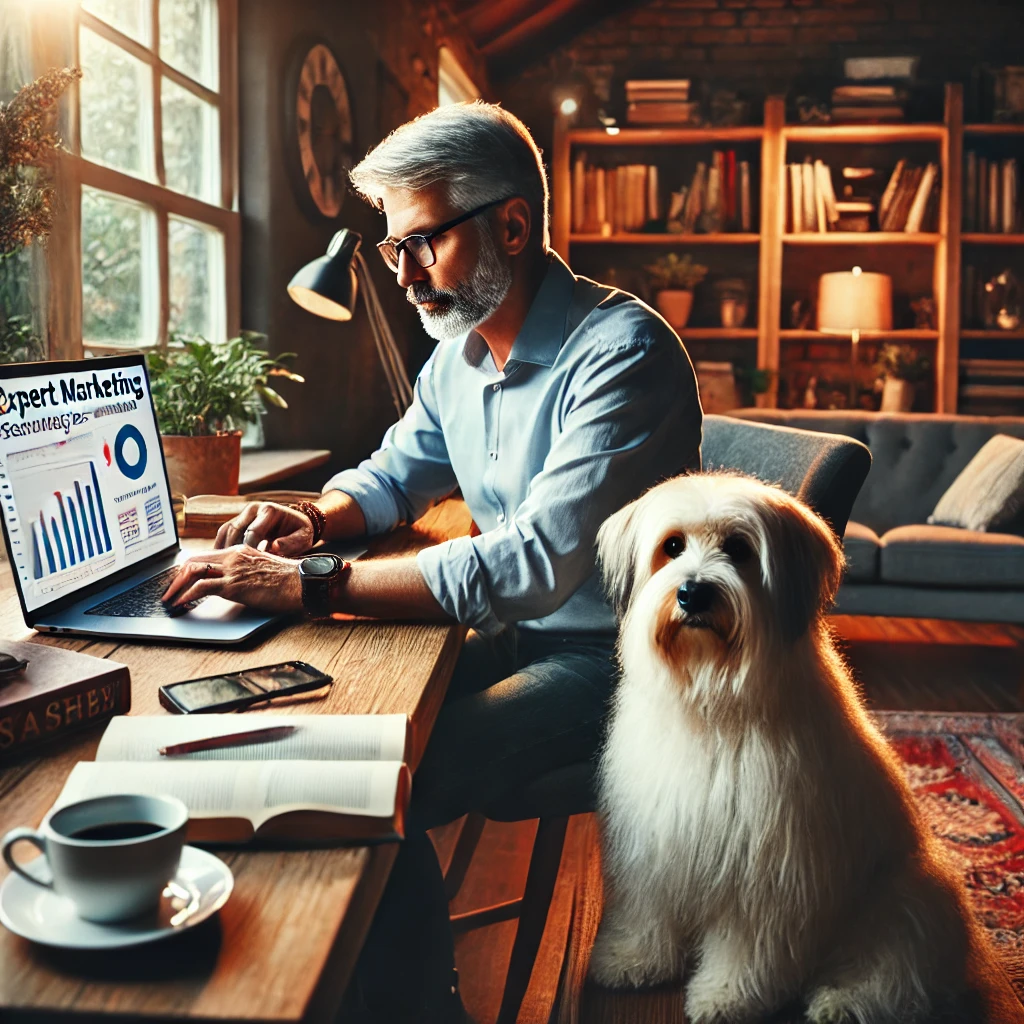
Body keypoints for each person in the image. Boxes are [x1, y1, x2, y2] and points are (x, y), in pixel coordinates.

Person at [162, 101, 702, 1023]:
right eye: (392, 250)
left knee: (379, 786)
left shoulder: (623, 355)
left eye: (423, 245)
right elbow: (393, 475)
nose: (405, 276)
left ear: (513, 225)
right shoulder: (458, 356)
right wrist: (313, 522)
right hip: (515, 635)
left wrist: (310, 584)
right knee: (323, 720)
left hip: (626, 666)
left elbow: (531, 564)